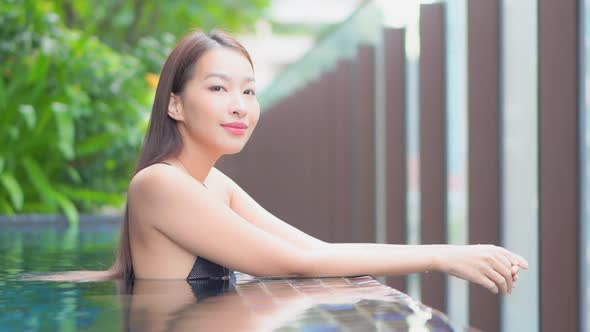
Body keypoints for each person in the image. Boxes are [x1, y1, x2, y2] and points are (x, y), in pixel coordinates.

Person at [31, 29, 527, 296]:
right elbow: (301, 264)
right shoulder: (160, 183)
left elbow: (314, 248)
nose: (239, 105)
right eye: (218, 88)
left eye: (249, 90)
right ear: (175, 105)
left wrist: (447, 252)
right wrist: (441, 257)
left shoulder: (213, 185)